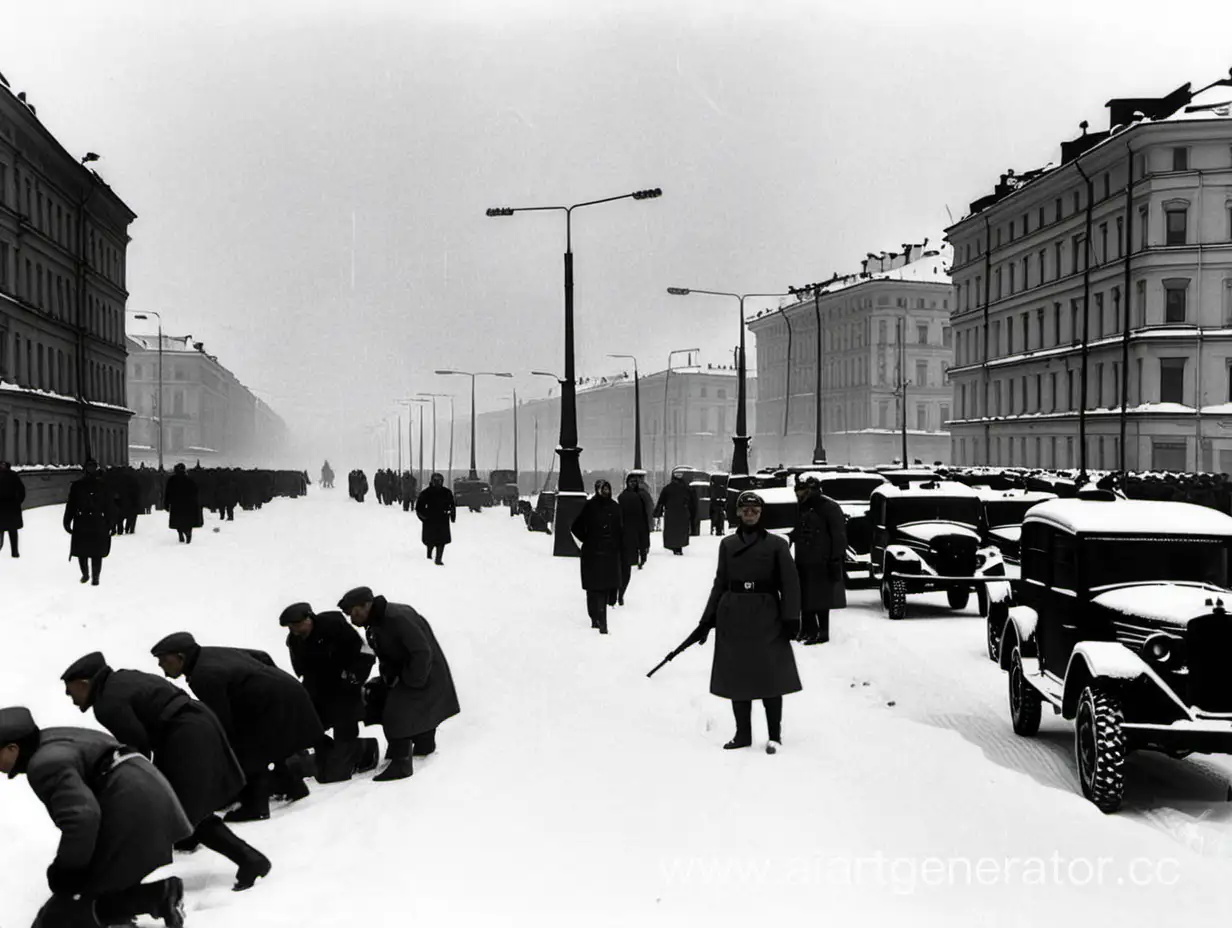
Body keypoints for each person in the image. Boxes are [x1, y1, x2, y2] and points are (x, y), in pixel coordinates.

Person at [59, 652, 271, 892]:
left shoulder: (107, 703)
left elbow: (137, 748)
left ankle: (250, 860)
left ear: (84, 684)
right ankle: (195, 840)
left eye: (70, 692)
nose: (71, 699)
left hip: (184, 736)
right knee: (183, 804)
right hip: (196, 722)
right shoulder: (122, 679)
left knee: (182, 809)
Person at [0, 706, 190, 928]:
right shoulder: (50, 737)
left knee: (60, 915)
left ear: (13, 748)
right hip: (145, 791)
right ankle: (157, 896)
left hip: (132, 807)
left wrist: (67, 872)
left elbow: (82, 819)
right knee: (95, 888)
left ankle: (155, 898)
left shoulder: (43, 765)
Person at [149, 632, 324, 822]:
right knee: (265, 743)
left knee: (244, 748)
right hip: (286, 692)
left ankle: (255, 806)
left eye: (164, 660)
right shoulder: (209, 653)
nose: (160, 665)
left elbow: (223, 721)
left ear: (181, 657)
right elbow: (261, 655)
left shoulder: (203, 676)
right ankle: (293, 787)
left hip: (274, 704)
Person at [692, 491, 801, 754]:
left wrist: (791, 617)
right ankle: (743, 734)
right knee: (737, 675)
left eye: (755, 509)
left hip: (767, 614)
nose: (750, 513)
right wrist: (707, 620)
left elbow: (790, 583)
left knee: (770, 676)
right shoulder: (727, 545)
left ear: (761, 513)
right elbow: (720, 583)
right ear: (738, 513)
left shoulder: (777, 544)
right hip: (734, 614)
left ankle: (774, 734)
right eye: (745, 509)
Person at [338, 586, 460, 781]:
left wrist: (412, 682)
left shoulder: (396, 617)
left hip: (425, 675)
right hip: (410, 673)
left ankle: (401, 763)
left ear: (367, 605)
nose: (352, 619)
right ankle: (422, 743)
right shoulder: (377, 621)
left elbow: (421, 652)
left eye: (353, 612)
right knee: (376, 694)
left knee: (396, 710)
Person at [280, 602, 379, 782]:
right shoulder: (294, 640)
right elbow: (301, 669)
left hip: (344, 692)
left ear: (309, 618)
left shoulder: (334, 628)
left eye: (297, 625)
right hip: (317, 692)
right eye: (290, 627)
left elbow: (365, 653)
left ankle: (364, 748)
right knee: (308, 731)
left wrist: (353, 679)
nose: (294, 630)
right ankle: (333, 753)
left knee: (335, 775)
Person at [789, 475, 847, 645]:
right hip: (804, 558)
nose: (799, 496)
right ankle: (808, 629)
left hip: (822, 559)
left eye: (802, 492)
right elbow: (798, 529)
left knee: (820, 598)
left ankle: (822, 631)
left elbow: (838, 535)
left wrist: (835, 558)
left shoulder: (829, 507)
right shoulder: (803, 507)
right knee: (805, 595)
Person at [571, 479, 625, 632]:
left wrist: (619, 546)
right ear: (597, 490)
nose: (606, 492)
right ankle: (596, 617)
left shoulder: (615, 507)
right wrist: (586, 542)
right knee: (594, 589)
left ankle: (600, 619)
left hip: (609, 553)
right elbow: (576, 527)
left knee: (603, 588)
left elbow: (620, 530)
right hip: (593, 554)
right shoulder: (590, 506)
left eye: (608, 489)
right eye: (603, 489)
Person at [63, 458, 115, 586]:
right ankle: (90, 575)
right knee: (89, 552)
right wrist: (111, 523)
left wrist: (67, 521)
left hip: (88, 522)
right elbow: (71, 505)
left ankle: (91, 576)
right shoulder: (83, 486)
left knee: (87, 552)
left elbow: (109, 505)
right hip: (93, 522)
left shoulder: (82, 485)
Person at [616, 474, 650, 602]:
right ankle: (620, 593)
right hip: (629, 538)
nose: (632, 484)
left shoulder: (623, 497)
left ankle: (619, 593)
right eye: (631, 481)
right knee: (625, 569)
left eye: (634, 482)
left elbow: (643, 523)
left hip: (628, 538)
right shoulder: (631, 498)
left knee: (623, 569)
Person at [415, 473, 456, 565]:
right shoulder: (426, 493)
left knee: (441, 541)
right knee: (430, 540)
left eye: (440, 481)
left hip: (442, 520)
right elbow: (419, 508)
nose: (438, 483)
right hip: (430, 520)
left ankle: (438, 559)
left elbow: (452, 505)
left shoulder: (447, 492)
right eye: (436, 481)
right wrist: (424, 517)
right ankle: (429, 554)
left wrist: (452, 516)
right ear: (432, 481)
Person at [654, 471, 696, 555]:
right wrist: (692, 514)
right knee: (681, 531)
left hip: (670, 514)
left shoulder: (667, 488)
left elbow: (661, 501)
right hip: (683, 513)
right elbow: (693, 502)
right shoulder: (687, 488)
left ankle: (674, 546)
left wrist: (657, 512)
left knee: (672, 531)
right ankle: (679, 548)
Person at [163, 463, 202, 544]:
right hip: (189, 504)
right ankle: (188, 533)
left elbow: (168, 493)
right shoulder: (190, 479)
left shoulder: (172, 480)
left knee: (178, 521)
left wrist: (166, 504)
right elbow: (195, 492)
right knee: (188, 521)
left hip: (176, 504)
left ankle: (181, 533)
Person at [0, 459, 25, 557]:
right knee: (13, 531)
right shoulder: (14, 475)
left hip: (3, 508)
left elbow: (21, 491)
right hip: (12, 509)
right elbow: (22, 491)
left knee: (2, 529)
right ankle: (14, 552)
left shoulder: (13, 475)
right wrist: (17, 502)